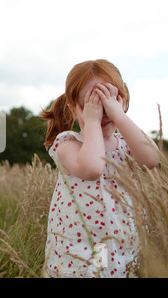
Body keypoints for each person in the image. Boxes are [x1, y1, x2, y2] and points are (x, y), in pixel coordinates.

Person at [40, 59, 159, 277]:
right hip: (85, 245)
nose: (101, 111)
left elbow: (152, 159)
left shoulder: (126, 144)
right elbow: (93, 167)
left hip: (123, 243)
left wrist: (119, 115)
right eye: (92, 103)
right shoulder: (68, 144)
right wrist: (92, 122)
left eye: (108, 101)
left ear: (122, 102)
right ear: (74, 110)